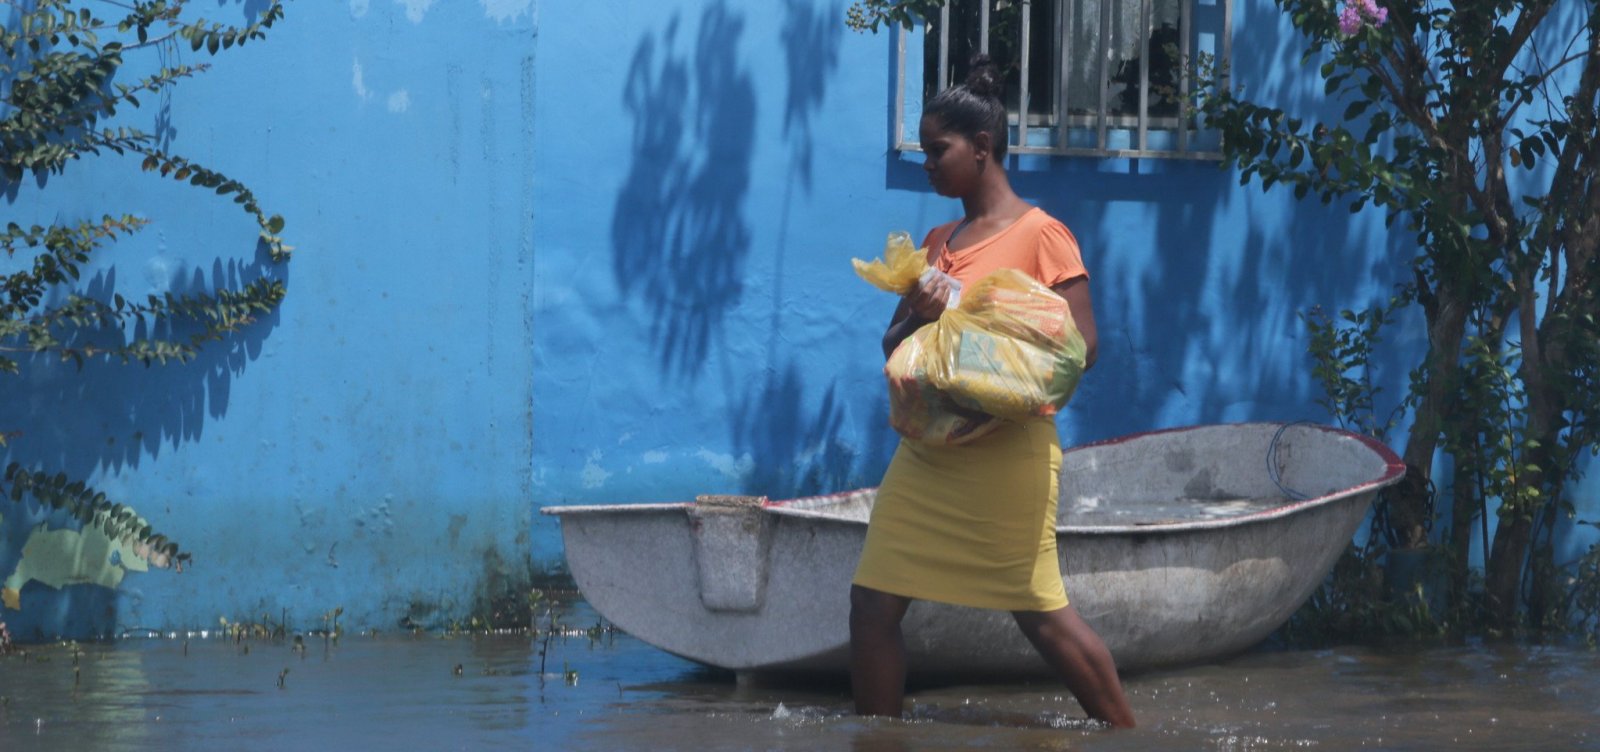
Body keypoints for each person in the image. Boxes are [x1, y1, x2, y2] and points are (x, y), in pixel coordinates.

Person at [849, 55, 1136, 729]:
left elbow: (1084, 345)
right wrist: (922, 310)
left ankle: (1126, 735)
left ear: (982, 149)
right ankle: (879, 742)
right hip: (930, 456)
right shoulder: (937, 242)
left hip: (1008, 452)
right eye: (923, 150)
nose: (927, 164)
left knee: (1039, 614)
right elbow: (893, 350)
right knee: (871, 605)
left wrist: (995, 363)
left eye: (937, 149)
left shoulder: (1042, 236)